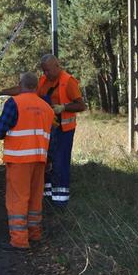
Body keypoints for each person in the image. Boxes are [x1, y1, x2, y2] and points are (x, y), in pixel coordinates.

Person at [0, 71, 55, 250]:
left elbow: (0, 131)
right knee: (35, 198)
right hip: (40, 160)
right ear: (36, 86)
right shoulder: (46, 107)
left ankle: (19, 240)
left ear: (21, 85)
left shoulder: (15, 103)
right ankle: (34, 234)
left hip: (20, 160)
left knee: (18, 199)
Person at [36, 54, 85, 206]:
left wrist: (64, 107)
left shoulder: (68, 82)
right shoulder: (43, 80)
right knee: (46, 162)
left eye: (48, 71)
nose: (46, 74)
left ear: (57, 66)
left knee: (60, 163)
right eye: (43, 71)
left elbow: (81, 105)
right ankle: (47, 195)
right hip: (48, 129)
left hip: (64, 130)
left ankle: (60, 201)